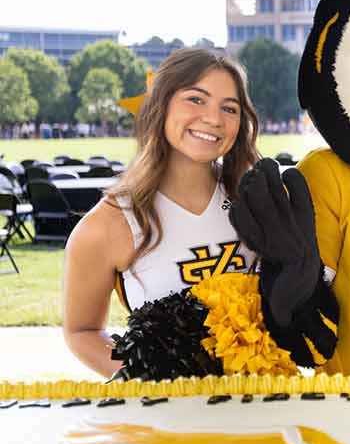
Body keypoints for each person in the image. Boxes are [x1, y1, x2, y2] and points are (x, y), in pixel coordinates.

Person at [63, 48, 260, 378]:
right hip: (168, 419)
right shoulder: (108, 224)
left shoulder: (257, 202)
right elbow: (81, 331)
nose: (214, 118)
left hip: (264, 403)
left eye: (230, 108)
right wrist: (147, 374)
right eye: (196, 99)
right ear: (160, 104)